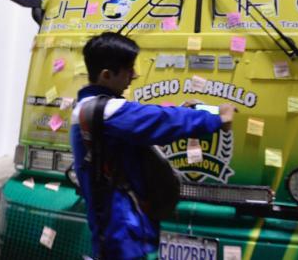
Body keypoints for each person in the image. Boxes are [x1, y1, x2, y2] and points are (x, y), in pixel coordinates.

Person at [69, 32, 235, 260]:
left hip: (115, 229)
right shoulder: (106, 111)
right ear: (106, 75)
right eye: (128, 70)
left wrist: (184, 111)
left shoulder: (88, 108)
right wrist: (217, 119)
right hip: (123, 233)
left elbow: (146, 121)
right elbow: (161, 120)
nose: (134, 75)